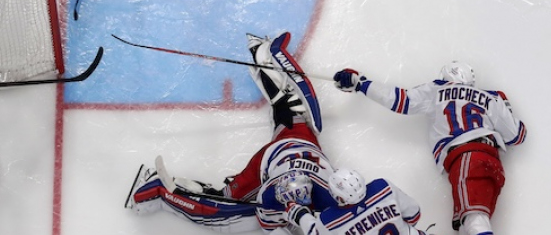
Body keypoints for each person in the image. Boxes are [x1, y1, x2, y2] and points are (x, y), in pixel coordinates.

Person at [127, 31, 337, 234]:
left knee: (291, 106)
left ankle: (262, 54)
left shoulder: (328, 197)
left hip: (299, 142)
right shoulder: (275, 200)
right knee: (224, 212)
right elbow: (233, 216)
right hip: (272, 159)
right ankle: (159, 191)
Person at [333, 62, 527, 235]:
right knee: (465, 224)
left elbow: (401, 100)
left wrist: (361, 84)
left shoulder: (437, 90)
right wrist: (505, 107)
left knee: (474, 221)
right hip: (491, 160)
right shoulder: (491, 98)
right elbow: (517, 136)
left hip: (466, 158)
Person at [284, 167, 434, 235]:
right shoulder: (383, 187)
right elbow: (414, 214)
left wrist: (299, 213)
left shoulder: (329, 220)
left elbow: (313, 232)